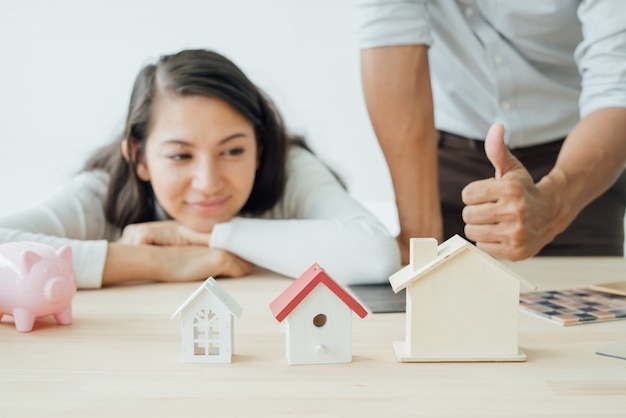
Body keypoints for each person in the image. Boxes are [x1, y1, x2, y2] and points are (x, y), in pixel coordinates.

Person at [0, 49, 400, 289]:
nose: (208, 183)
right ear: (138, 157)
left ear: (259, 148)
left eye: (232, 151)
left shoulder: (292, 169)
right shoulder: (99, 193)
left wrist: (203, 236)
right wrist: (165, 262)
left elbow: (376, 255)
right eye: (180, 156)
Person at [354, 1, 626, 264]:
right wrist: (419, 234)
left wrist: (554, 205)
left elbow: (616, 88)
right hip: (443, 160)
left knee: (589, 304)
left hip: (584, 159)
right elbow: (390, 34)